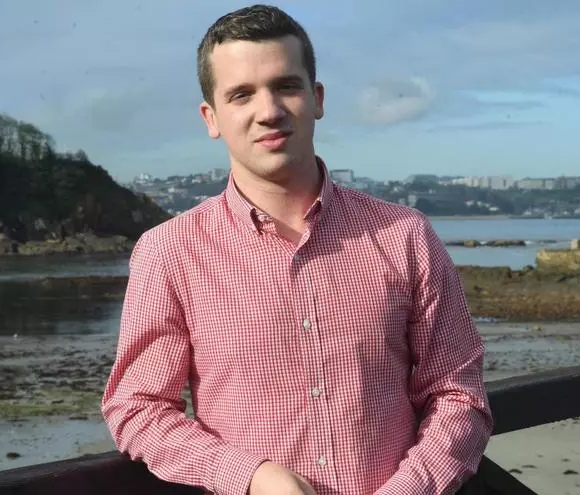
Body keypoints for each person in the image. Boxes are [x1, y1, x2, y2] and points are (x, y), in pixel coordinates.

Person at [100, 4, 494, 495]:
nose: (268, 111)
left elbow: (458, 395)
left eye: (286, 86)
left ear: (317, 98)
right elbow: (138, 408)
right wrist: (250, 476)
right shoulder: (168, 253)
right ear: (211, 117)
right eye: (241, 94)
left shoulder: (405, 235)